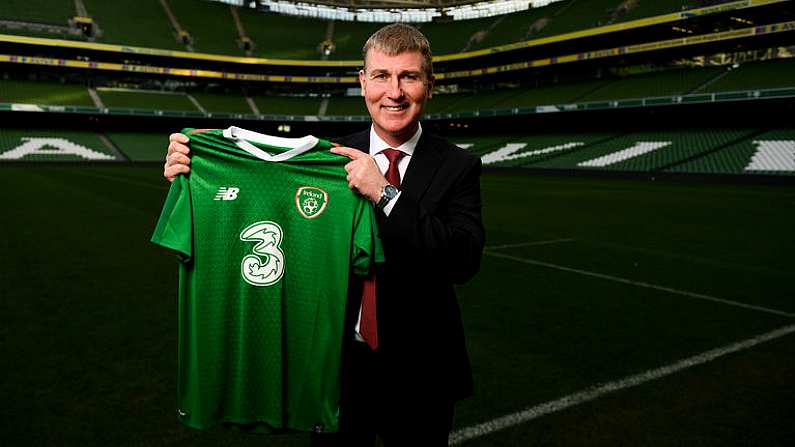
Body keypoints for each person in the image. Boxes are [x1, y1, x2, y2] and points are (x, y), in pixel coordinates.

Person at [163, 23, 484, 446]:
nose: (395, 92)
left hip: (421, 371)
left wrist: (385, 194)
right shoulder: (326, 158)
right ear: (362, 82)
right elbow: (268, 209)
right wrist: (194, 178)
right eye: (382, 76)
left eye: (409, 76)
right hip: (337, 367)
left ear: (430, 84)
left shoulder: (458, 166)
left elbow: (463, 260)